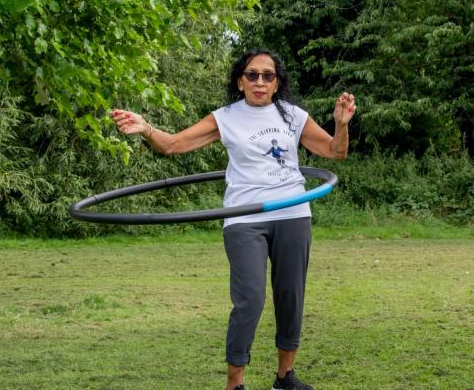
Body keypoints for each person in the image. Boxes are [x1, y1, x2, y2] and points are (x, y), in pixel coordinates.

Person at [111, 49, 357, 389]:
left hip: (293, 213)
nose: (260, 81)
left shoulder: (292, 116)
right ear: (240, 82)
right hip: (244, 218)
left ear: (276, 83)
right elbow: (172, 145)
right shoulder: (225, 117)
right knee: (250, 299)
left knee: (290, 295)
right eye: (252, 75)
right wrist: (146, 128)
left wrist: (341, 125)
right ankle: (235, 383)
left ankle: (285, 377)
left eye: (267, 76)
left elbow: (335, 151)